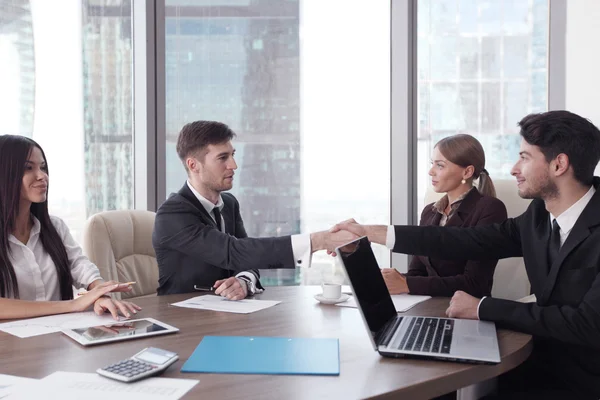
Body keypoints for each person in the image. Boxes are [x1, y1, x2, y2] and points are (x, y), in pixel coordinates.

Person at [331, 110, 600, 399]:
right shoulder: (538, 216)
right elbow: (467, 240)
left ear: (559, 164)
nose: (513, 168)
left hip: (582, 381)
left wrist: (483, 308)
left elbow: (587, 325)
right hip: (536, 361)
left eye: (524, 157)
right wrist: (375, 233)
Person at [153, 120, 354, 300]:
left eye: (232, 155)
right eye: (223, 158)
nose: (234, 165)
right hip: (182, 321)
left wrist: (244, 280)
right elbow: (234, 252)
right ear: (193, 165)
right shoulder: (173, 214)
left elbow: (247, 258)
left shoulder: (229, 204)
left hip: (226, 316)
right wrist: (316, 241)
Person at [0, 135, 141, 320]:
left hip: (57, 337)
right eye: (28, 168)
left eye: (43, 167)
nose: (42, 176)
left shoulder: (54, 227)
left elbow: (79, 265)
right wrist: (73, 305)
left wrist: (100, 293)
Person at [384, 134, 507, 298]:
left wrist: (406, 283)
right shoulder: (430, 212)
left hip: (465, 310)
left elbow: (475, 283)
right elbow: (417, 272)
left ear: (467, 172)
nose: (430, 172)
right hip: (427, 305)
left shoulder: (490, 209)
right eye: (432, 164)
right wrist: (390, 279)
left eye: (440, 165)